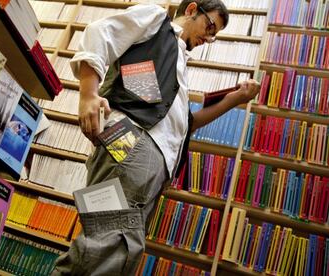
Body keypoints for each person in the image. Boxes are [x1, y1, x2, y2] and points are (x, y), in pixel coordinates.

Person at [53, 0, 260, 274]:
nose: (208, 38)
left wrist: (236, 99)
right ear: (191, 9)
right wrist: (89, 93)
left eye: (214, 36)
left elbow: (187, 124)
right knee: (108, 247)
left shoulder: (173, 64)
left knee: (116, 254)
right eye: (210, 26)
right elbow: (100, 32)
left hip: (150, 159)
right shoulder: (157, 20)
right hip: (133, 143)